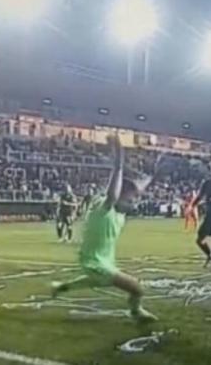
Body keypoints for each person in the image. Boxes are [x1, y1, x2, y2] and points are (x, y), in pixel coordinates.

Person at [51, 135, 158, 322]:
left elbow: (136, 189)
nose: (135, 204)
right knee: (136, 288)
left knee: (94, 281)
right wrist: (119, 160)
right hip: (95, 262)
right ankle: (136, 311)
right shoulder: (105, 208)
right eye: (132, 200)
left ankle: (61, 287)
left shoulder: (119, 213)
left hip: (102, 261)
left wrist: (151, 176)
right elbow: (114, 191)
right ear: (121, 196)